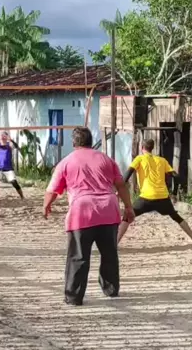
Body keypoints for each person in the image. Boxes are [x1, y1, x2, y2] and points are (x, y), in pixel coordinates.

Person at [44, 127, 135, 306]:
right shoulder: (106, 159)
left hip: (81, 211)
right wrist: (128, 207)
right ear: (91, 141)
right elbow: (120, 185)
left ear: (73, 142)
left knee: (78, 256)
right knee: (109, 253)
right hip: (108, 210)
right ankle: (111, 289)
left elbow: (52, 190)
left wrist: (46, 205)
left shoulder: (66, 162)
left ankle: (74, 296)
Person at [117, 139, 192, 245]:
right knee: (176, 217)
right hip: (163, 197)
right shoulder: (162, 160)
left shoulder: (139, 158)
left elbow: (128, 173)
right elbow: (175, 176)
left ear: (142, 148)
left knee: (127, 217)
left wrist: (119, 189)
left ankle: (116, 242)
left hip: (146, 197)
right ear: (152, 148)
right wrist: (174, 193)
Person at [0, 132, 24, 199]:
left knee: (14, 183)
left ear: (7, 137)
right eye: (1, 135)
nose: (2, 137)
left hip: (8, 169)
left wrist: (12, 140)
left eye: (4, 136)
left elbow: (17, 147)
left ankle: (22, 196)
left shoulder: (9, 144)